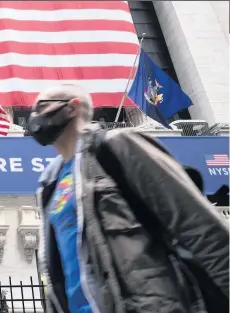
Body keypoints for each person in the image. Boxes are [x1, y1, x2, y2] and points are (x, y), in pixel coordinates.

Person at [27, 84, 229, 313]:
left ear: (72, 108)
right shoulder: (49, 184)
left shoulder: (117, 145)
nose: (35, 117)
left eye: (42, 106)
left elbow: (198, 226)